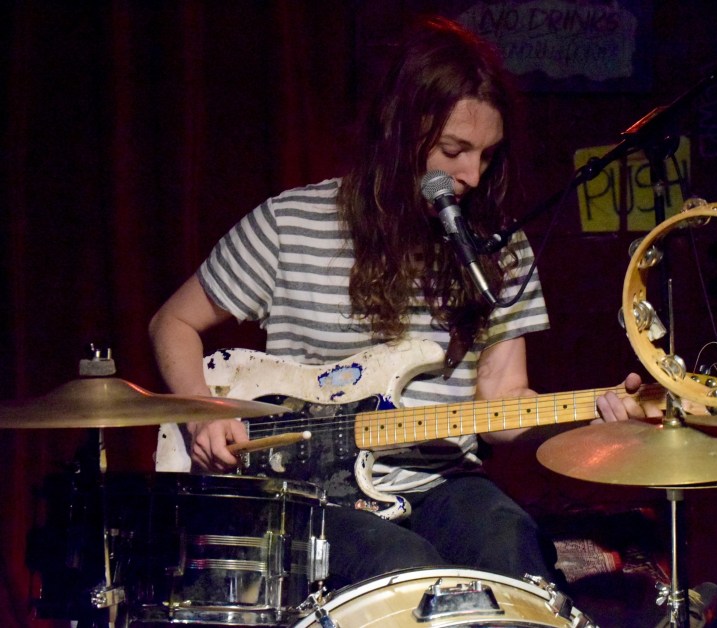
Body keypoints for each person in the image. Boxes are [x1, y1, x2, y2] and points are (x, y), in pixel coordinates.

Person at [149, 15, 661, 589]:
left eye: (487, 155)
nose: (471, 174)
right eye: (453, 150)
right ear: (399, 132)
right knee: (403, 570)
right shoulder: (289, 223)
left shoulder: (497, 248)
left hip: (442, 482)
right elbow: (173, 321)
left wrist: (591, 415)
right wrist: (201, 413)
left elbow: (503, 404)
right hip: (311, 490)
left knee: (511, 543)